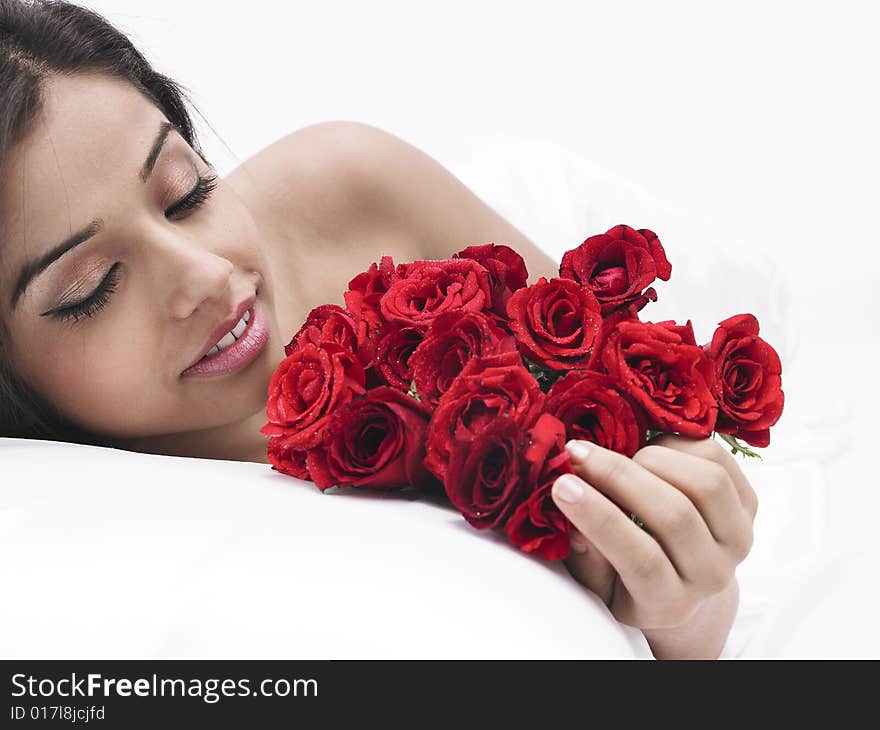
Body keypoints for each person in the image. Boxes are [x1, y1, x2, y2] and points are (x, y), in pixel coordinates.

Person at [0, 0, 754, 660]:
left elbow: (682, 515)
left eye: (186, 191)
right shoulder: (58, 537)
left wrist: (681, 603)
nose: (203, 276)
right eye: (90, 288)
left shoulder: (354, 189)